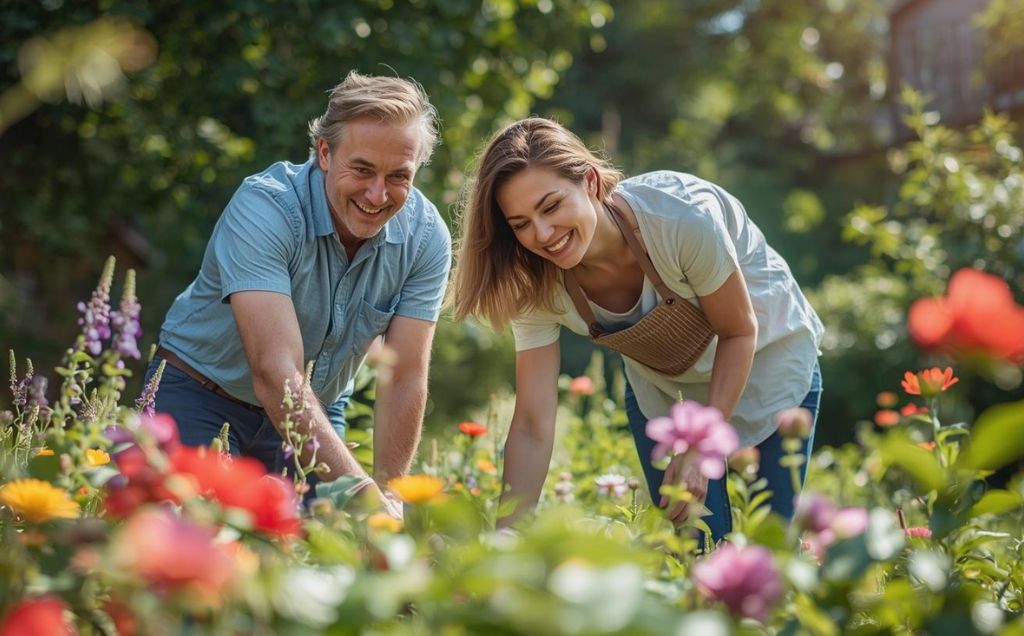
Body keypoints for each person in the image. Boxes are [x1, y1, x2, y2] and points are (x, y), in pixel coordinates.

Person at [450, 118, 823, 541]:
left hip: (765, 363)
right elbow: (533, 423)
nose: (543, 234)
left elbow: (738, 331)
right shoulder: (534, 285)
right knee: (695, 547)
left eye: (551, 207)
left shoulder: (681, 219)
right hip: (666, 394)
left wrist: (700, 445)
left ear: (590, 182)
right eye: (521, 224)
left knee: (772, 548)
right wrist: (506, 540)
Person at [148, 71, 451, 516]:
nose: (377, 194)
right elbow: (276, 371)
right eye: (362, 169)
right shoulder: (265, 208)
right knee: (180, 539)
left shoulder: (426, 238)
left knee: (329, 549)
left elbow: (404, 375)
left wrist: (389, 500)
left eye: (398, 176)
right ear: (325, 153)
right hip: (201, 397)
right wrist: (361, 494)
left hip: (317, 412)